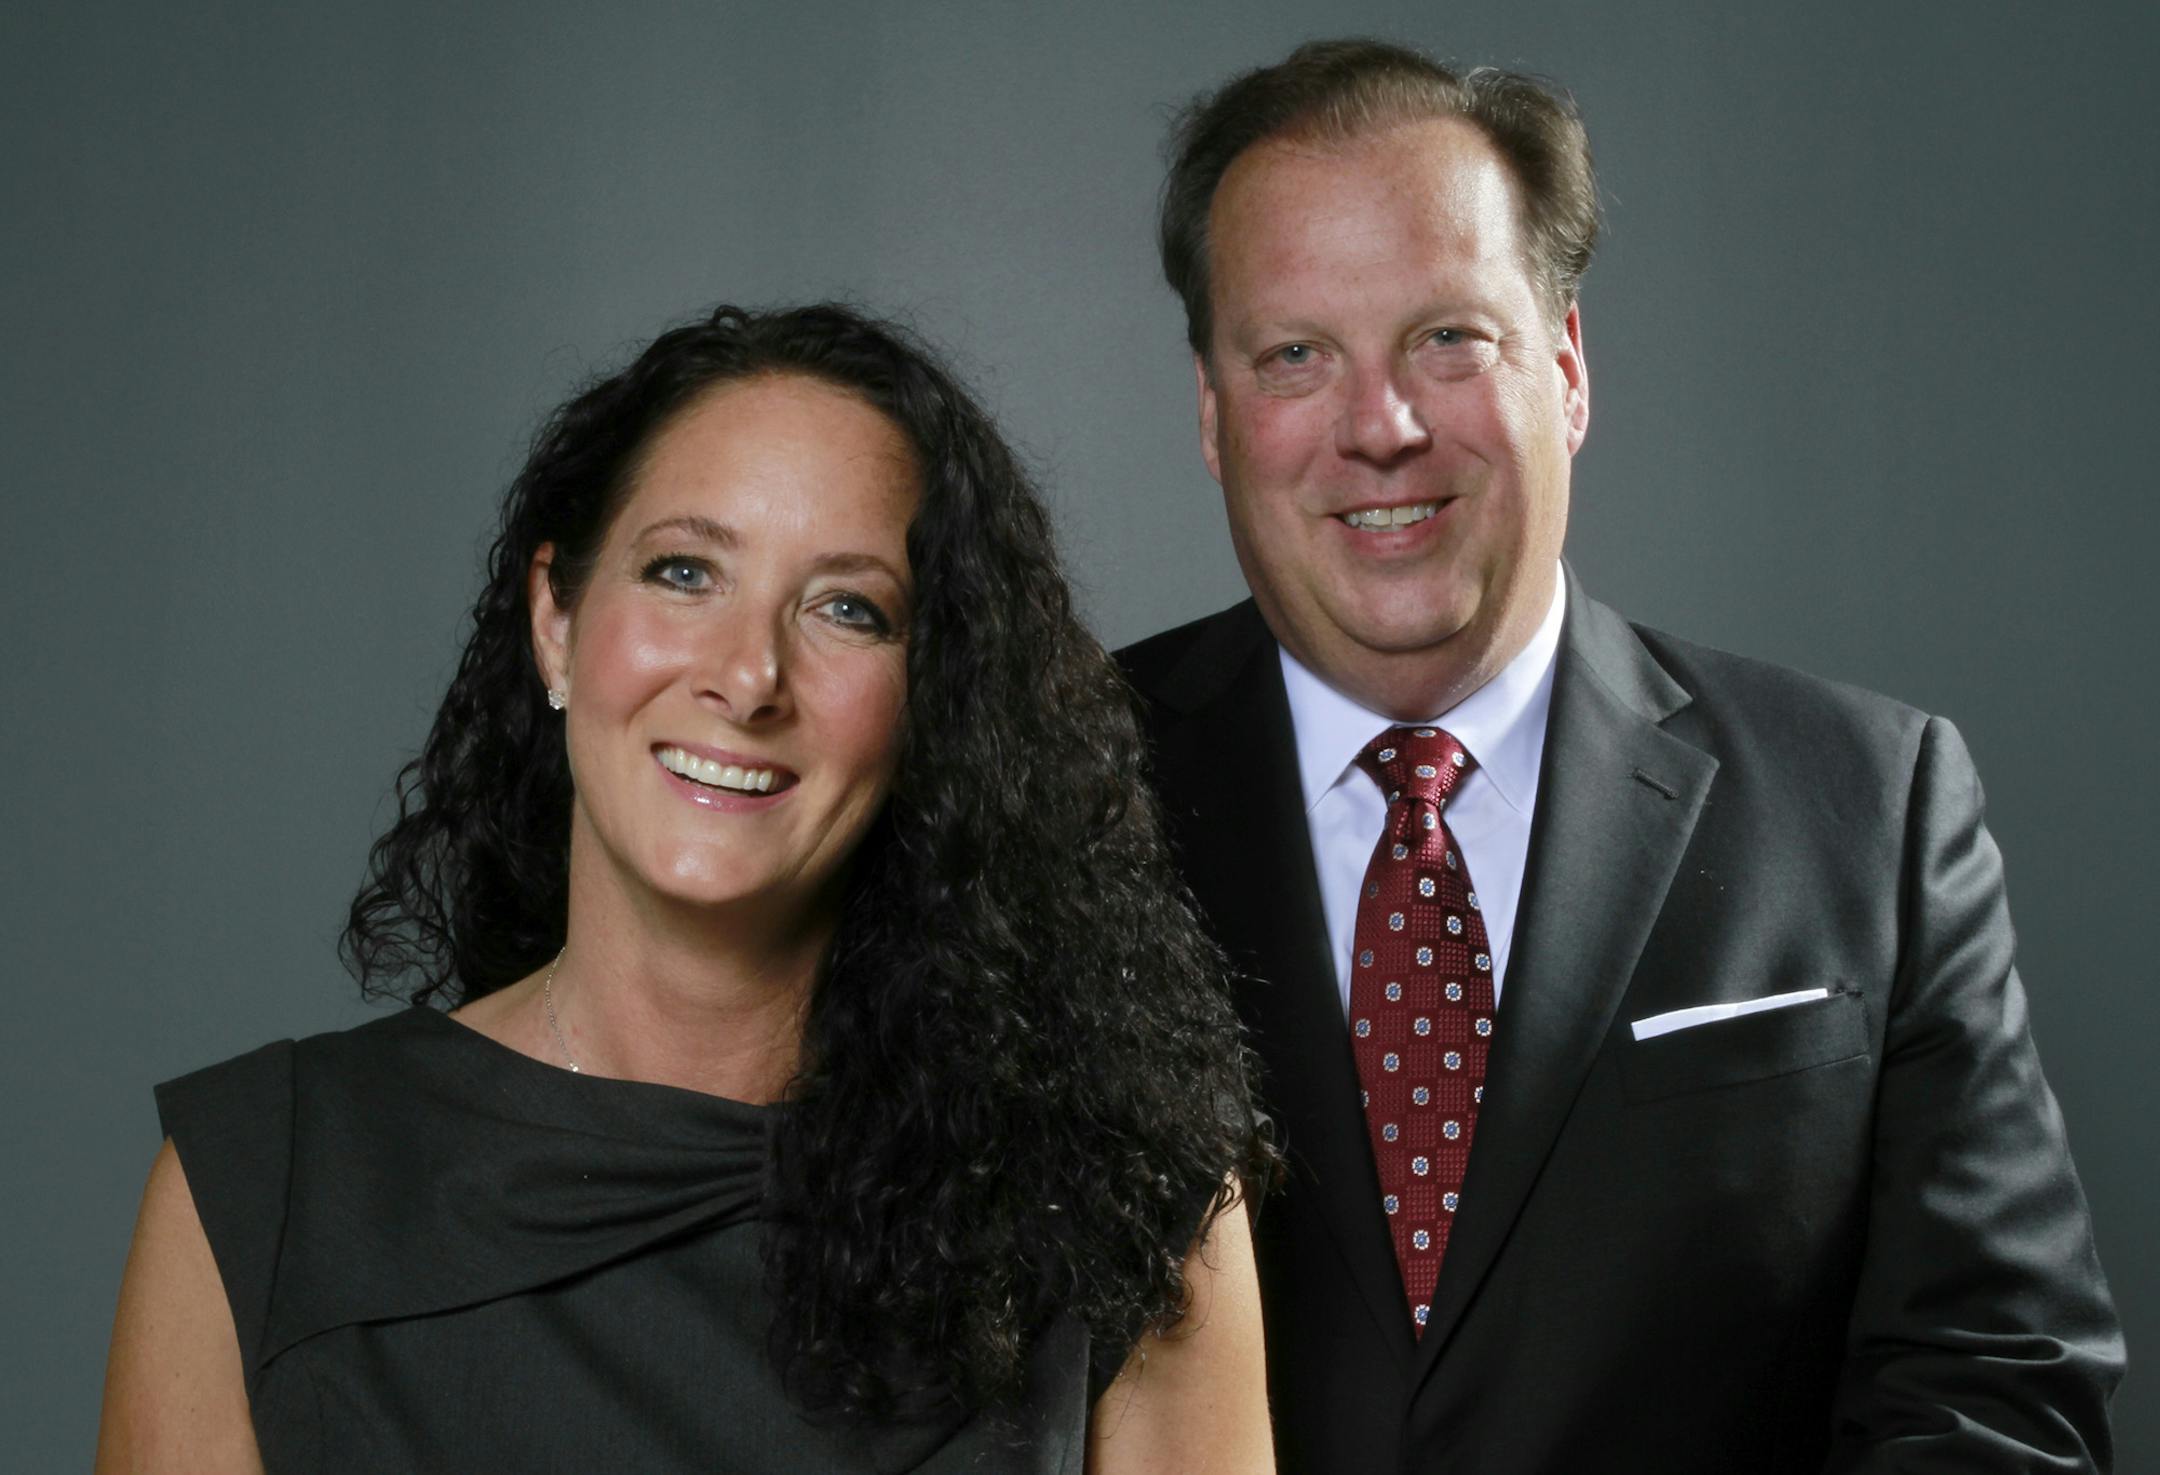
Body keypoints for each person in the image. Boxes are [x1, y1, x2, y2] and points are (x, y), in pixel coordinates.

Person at [1118, 39, 2123, 1473]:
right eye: (1296, 355)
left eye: (1448, 337)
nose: (1381, 427)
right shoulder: (1050, 794)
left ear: (1569, 369)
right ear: (1215, 417)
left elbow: (1995, 1389)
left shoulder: (1870, 809)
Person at [96, 303, 1276, 1474]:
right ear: (556, 621)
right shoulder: (264, 1187)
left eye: (847, 608)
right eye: (684, 571)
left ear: (934, 704)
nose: (749, 675)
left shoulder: (1131, 1215)